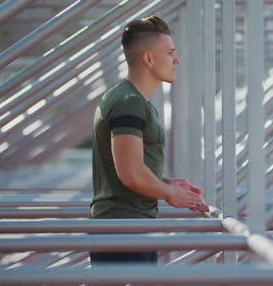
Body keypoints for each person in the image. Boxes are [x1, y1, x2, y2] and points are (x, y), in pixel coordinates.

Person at [90, 15, 209, 265]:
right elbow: (131, 174)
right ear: (149, 58)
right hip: (123, 229)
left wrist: (168, 182)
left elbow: (124, 166)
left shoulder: (132, 100)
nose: (176, 60)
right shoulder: (128, 103)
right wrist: (170, 194)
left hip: (128, 226)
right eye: (170, 53)